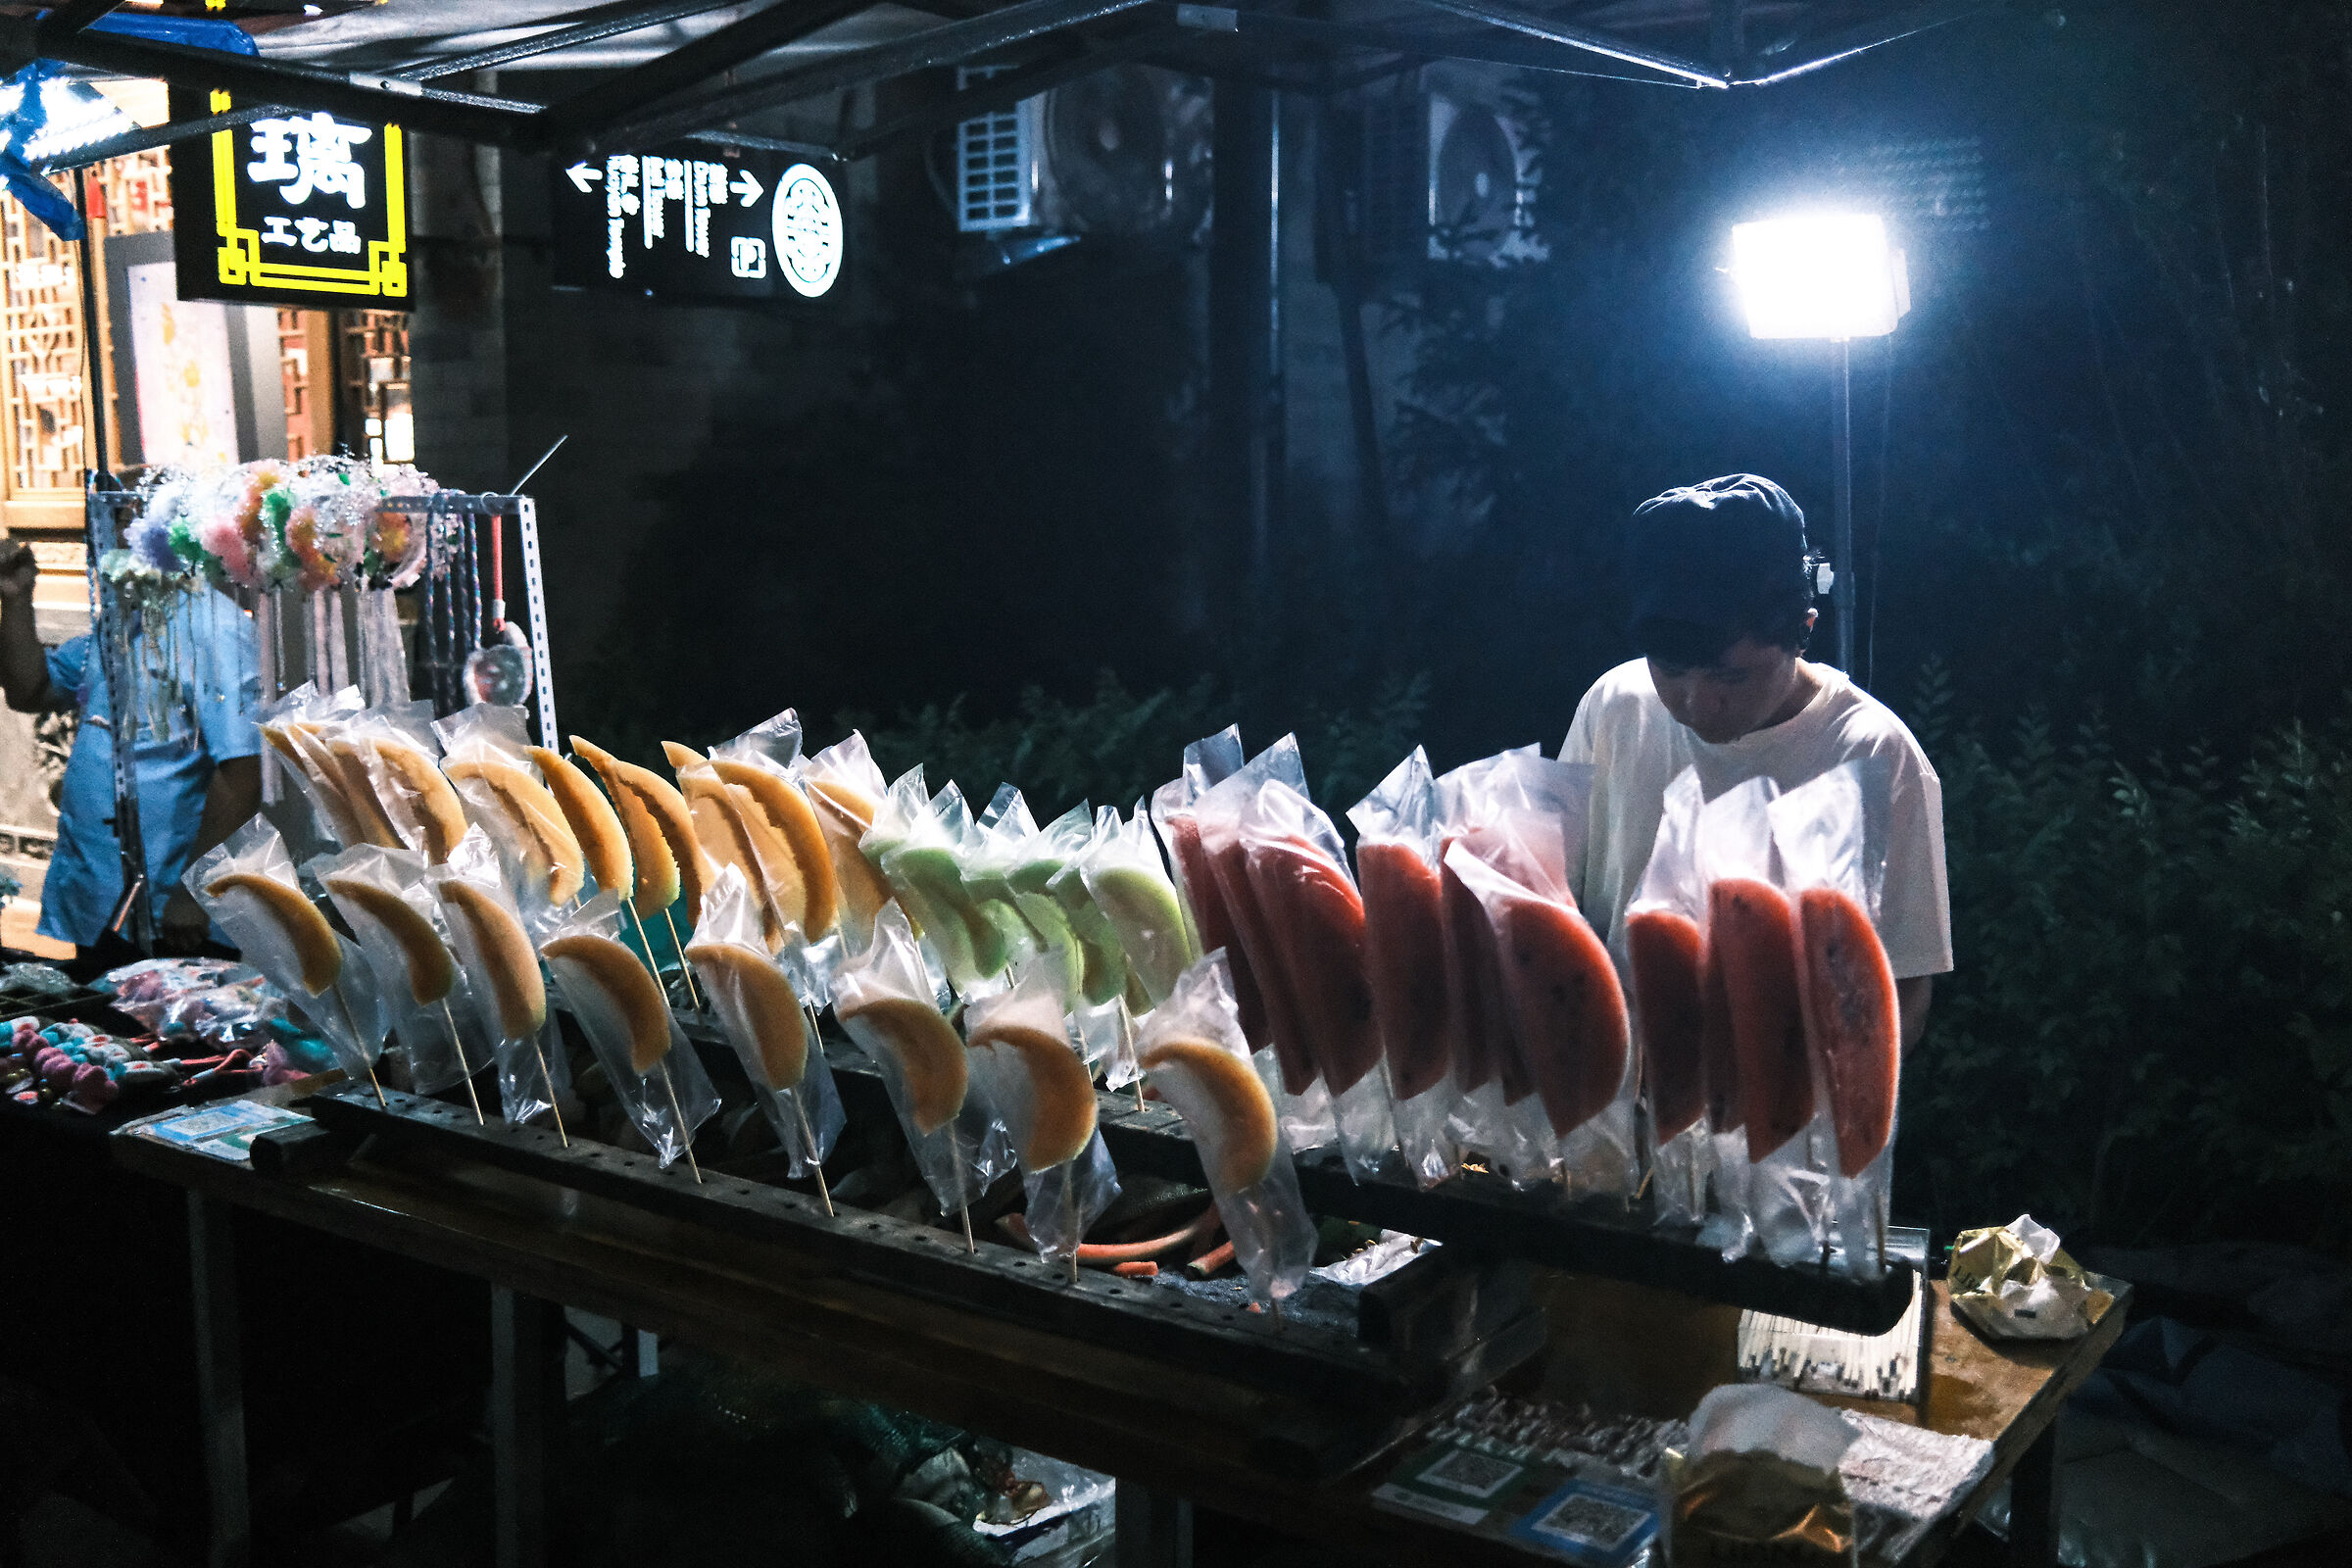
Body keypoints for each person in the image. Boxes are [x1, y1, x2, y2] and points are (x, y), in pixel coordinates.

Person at [1561, 473, 1949, 1051]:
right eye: (1669, 670)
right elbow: (1552, 893)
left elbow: (1904, 988)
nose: (1696, 702)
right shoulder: (1617, 705)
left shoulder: (1871, 755)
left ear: (1803, 633)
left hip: (1778, 1129)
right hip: (1609, 1118)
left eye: (1730, 676)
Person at [0, 541, 261, 958]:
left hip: (169, 909)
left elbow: (243, 771)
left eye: (126, 525)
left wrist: (193, 892)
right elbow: (33, 690)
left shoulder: (212, 627)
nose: (109, 545)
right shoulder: (124, 619)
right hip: (100, 890)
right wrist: (14, 600)